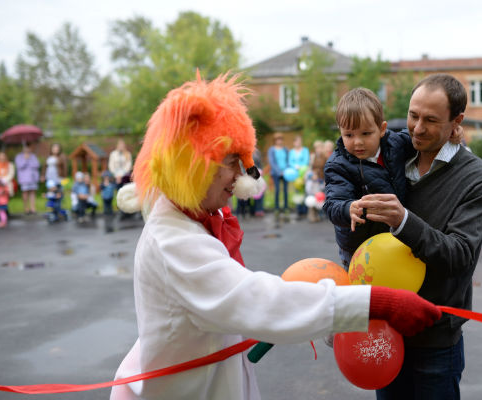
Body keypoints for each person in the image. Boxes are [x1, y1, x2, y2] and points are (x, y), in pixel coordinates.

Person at [109, 73, 441, 400]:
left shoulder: (193, 220)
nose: (241, 176)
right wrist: (377, 302)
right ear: (193, 166)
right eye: (231, 162)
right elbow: (255, 300)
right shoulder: (174, 242)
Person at [356, 74, 482, 400]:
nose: (417, 128)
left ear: (456, 122)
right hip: (384, 328)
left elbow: (459, 256)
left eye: (431, 120)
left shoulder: (477, 178)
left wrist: (404, 221)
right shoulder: (392, 155)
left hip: (435, 338)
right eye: (412, 115)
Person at [323, 87, 415, 269]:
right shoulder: (338, 165)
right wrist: (348, 208)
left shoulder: (394, 143)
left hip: (393, 238)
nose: (357, 141)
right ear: (340, 131)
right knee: (362, 291)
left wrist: (451, 136)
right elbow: (332, 204)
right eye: (349, 135)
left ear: (382, 129)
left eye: (366, 133)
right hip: (358, 246)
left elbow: (418, 138)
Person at [267, 133, 289, 218]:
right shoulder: (271, 150)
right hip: (276, 173)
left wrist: (286, 170)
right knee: (277, 190)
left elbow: (288, 160)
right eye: (277, 139)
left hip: (285, 173)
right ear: (275, 141)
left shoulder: (285, 149)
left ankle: (286, 207)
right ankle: (276, 208)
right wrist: (279, 171)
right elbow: (272, 162)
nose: (279, 141)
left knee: (285, 191)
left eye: (280, 139)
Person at [14, 143, 40, 215]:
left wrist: (29, 160)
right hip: (24, 178)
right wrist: (25, 159)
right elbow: (19, 166)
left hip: (33, 178)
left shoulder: (33, 156)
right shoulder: (19, 156)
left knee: (32, 192)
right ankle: (26, 208)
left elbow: (37, 165)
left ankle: (33, 208)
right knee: (25, 192)